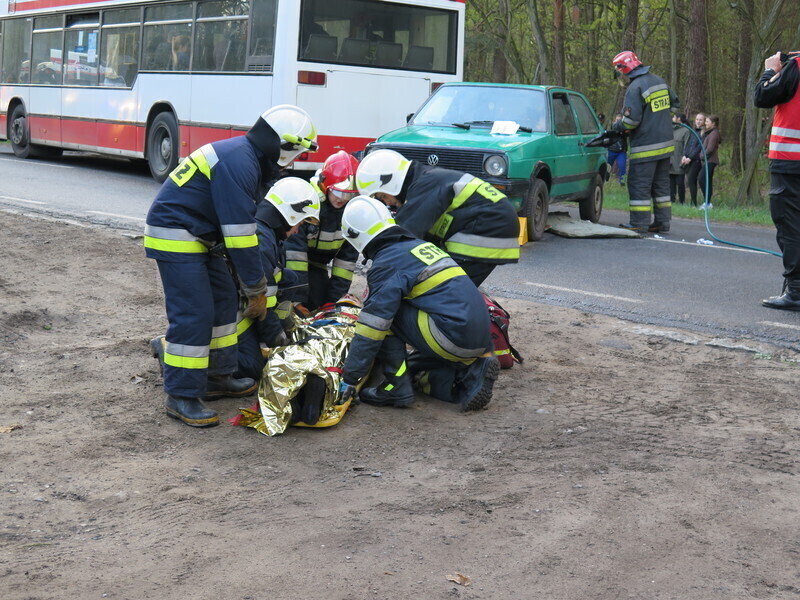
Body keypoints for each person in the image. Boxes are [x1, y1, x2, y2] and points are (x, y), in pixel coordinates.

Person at [144, 104, 318, 427]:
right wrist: (256, 289)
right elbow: (240, 233)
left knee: (223, 298)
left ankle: (216, 377)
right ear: (282, 143)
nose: (292, 161)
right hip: (176, 231)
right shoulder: (240, 161)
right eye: (294, 152)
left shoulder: (246, 158)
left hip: (199, 233)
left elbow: (238, 231)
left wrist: (249, 285)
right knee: (195, 311)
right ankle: (181, 395)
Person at [337, 196, 499, 411]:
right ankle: (469, 375)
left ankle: (396, 388)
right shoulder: (417, 246)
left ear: (356, 237)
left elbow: (373, 327)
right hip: (479, 337)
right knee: (416, 367)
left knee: (381, 316)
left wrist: (350, 378)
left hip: (453, 337)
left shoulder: (387, 263)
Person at [355, 149, 520, 287]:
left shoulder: (424, 185)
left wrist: (376, 254)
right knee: (453, 285)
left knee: (440, 287)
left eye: (383, 196)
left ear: (391, 183)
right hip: (493, 224)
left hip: (487, 227)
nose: (387, 203)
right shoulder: (426, 179)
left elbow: (403, 236)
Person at [235, 177, 321, 381]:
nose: (298, 230)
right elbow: (265, 307)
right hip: (231, 315)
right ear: (289, 215)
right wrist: (280, 344)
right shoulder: (263, 242)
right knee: (253, 367)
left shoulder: (268, 232)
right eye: (299, 223)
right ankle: (171, 350)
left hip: (240, 304)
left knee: (291, 278)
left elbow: (276, 278)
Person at [612, 50, 681, 234]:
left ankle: (638, 222)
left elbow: (631, 121)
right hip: (665, 145)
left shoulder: (635, 88)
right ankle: (662, 222)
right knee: (661, 186)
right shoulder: (659, 81)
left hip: (645, 147)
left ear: (624, 69)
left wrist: (617, 126)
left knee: (639, 184)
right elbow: (675, 105)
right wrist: (662, 120)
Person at [285, 151, 360, 311]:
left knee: (319, 304)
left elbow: (345, 264)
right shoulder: (307, 204)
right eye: (338, 192)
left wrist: (334, 301)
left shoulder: (352, 214)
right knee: (292, 306)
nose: (342, 199)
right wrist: (296, 300)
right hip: (289, 263)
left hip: (318, 265)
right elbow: (295, 257)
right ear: (324, 185)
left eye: (348, 195)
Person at [754, 50, 800, 311]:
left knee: (791, 225)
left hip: (791, 161)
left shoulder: (796, 67)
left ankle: (796, 291)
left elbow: (762, 96)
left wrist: (771, 70)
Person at [681, 112, 706, 207]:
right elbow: (689, 145)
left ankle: (693, 203)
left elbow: (699, 147)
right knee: (690, 181)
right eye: (697, 119)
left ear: (704, 121)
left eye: (700, 120)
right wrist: (684, 155)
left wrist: (690, 158)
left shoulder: (703, 133)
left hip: (696, 160)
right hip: (688, 159)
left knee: (691, 180)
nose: (698, 121)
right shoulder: (693, 131)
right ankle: (692, 202)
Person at [698, 114, 721, 209]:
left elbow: (710, 149)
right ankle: (707, 203)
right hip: (708, 161)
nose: (705, 123)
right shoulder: (711, 132)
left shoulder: (714, 134)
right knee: (707, 181)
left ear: (713, 123)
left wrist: (702, 156)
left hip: (710, 161)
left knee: (702, 179)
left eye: (707, 121)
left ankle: (707, 202)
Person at [670, 113, 691, 205]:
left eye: (674, 117)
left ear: (678, 119)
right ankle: (672, 200)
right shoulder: (670, 129)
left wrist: (684, 158)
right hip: (670, 161)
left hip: (679, 161)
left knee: (680, 182)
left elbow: (687, 146)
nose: (672, 118)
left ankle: (682, 201)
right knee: (670, 182)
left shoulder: (686, 130)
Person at [607, 113, 628, 185]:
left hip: (621, 151)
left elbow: (628, 134)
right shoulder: (612, 127)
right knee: (607, 167)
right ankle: (604, 180)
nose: (618, 123)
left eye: (620, 121)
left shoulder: (624, 128)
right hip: (611, 150)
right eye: (617, 120)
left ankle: (622, 182)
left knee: (622, 167)